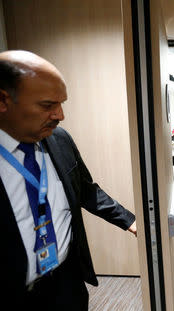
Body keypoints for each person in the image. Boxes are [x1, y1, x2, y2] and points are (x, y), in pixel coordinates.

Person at [0, 50, 137, 310]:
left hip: (67, 283)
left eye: (62, 103)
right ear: (3, 100)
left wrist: (130, 221)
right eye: (48, 105)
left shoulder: (59, 139)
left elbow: (85, 190)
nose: (60, 115)